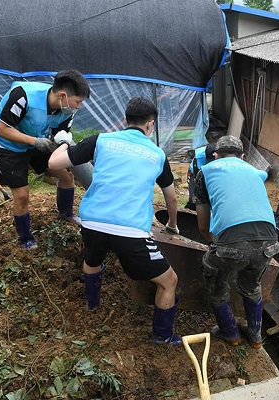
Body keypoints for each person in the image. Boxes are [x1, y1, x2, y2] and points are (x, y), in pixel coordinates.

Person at [48, 96, 182, 345]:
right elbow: (171, 199)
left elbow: (54, 162)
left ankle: (92, 304)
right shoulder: (157, 154)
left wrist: (65, 143)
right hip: (131, 231)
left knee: (93, 259)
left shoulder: (101, 140)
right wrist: (172, 224)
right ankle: (163, 337)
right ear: (150, 125)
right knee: (169, 281)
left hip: (92, 223)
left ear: (125, 120)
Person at [0, 69, 90, 249]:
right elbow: (1, 129)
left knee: (66, 176)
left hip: (37, 140)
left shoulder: (67, 109)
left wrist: (64, 146)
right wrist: (35, 141)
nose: (79, 106)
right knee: (22, 195)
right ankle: (25, 238)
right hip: (6, 145)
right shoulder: (23, 97)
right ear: (63, 96)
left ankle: (65, 213)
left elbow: (61, 133)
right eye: (78, 101)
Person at [193, 135, 279, 349]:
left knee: (216, 284)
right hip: (269, 241)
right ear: (242, 157)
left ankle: (230, 333)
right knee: (252, 286)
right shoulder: (255, 172)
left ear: (215, 156)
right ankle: (255, 337)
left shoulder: (205, 172)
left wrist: (217, 245)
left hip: (233, 242)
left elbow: (203, 226)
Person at [185, 142, 216, 211]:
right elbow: (198, 177)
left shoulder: (222, 156)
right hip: (194, 172)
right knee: (195, 197)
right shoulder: (199, 158)